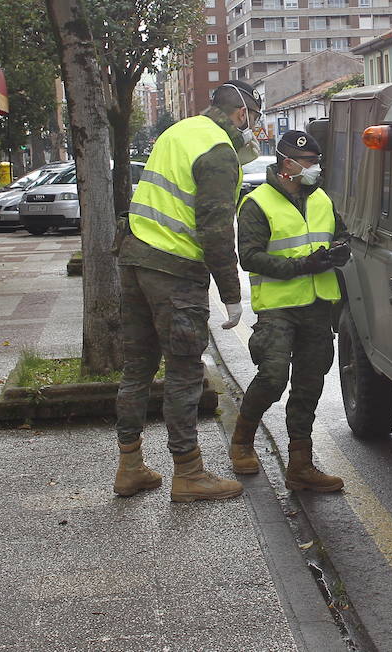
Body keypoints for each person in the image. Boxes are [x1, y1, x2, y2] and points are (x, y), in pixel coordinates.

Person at [112, 80, 263, 502]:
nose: (252, 129)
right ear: (241, 115)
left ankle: (130, 466)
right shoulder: (218, 151)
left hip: (135, 256)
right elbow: (215, 230)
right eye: (252, 120)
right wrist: (232, 294)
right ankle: (189, 472)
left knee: (137, 368)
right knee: (184, 371)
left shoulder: (178, 131)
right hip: (174, 271)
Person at [229, 129, 349, 492]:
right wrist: (302, 266)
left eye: (316, 162)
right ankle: (242, 441)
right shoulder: (257, 203)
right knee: (273, 377)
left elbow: (340, 234)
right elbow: (249, 256)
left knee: (309, 384)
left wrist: (341, 249)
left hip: (316, 305)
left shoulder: (321, 199)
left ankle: (301, 464)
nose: (315, 169)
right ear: (287, 164)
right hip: (279, 308)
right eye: (309, 163)